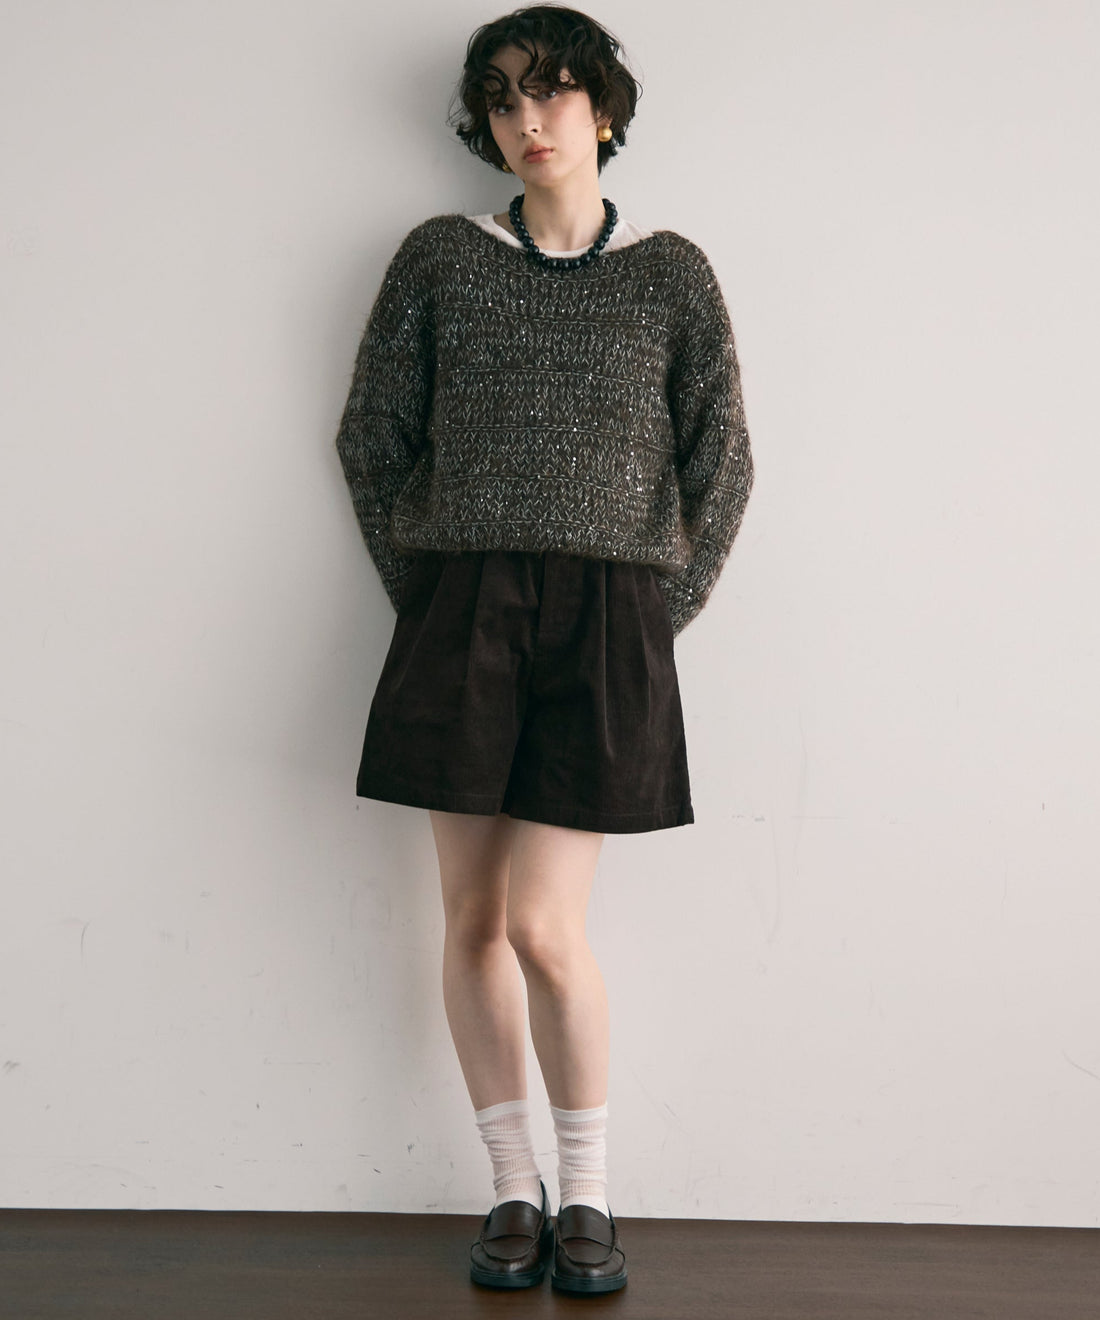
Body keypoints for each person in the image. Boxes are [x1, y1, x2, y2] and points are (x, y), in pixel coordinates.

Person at [334, 2, 754, 1296]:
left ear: (604, 109)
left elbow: (723, 462)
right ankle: (512, 1189)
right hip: (460, 608)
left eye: (554, 91)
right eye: (504, 98)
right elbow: (372, 436)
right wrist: (430, 594)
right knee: (471, 921)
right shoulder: (439, 259)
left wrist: (650, 620)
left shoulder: (672, 273)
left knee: (545, 928)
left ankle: (590, 1194)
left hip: (608, 619)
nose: (529, 118)